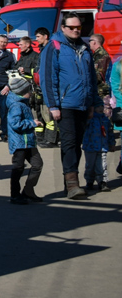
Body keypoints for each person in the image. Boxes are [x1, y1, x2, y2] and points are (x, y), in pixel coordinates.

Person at [39, 13, 99, 200]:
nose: (75, 30)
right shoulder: (54, 47)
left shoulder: (84, 47)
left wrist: (92, 103)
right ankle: (72, 183)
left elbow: (91, 79)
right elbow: (48, 78)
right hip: (64, 105)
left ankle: (70, 182)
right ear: (63, 28)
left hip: (82, 104)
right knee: (69, 142)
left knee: (77, 144)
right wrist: (53, 105)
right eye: (71, 27)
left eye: (78, 28)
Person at [6, 70, 44, 205]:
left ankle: (28, 190)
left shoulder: (23, 102)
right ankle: (15, 195)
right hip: (19, 142)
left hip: (29, 141)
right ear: (22, 92)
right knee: (18, 168)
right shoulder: (17, 105)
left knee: (37, 164)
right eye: (29, 91)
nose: (31, 93)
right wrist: (32, 123)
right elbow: (15, 124)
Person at [84, 33, 114, 192]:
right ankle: (90, 181)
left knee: (104, 124)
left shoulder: (102, 56)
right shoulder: (94, 55)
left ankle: (102, 181)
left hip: (101, 95)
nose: (89, 43)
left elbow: (98, 76)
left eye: (90, 41)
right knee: (91, 159)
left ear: (95, 42)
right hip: (89, 141)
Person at [32, 27, 58, 147]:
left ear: (45, 36)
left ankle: (51, 140)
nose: (36, 39)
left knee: (50, 115)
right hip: (41, 86)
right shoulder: (43, 49)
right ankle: (46, 138)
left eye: (38, 36)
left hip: (48, 86)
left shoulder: (50, 49)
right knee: (43, 114)